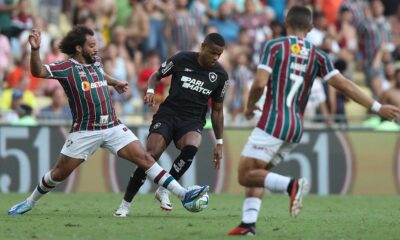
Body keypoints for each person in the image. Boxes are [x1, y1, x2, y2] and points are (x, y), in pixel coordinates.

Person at [227, 6, 400, 236]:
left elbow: (259, 84)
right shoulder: (319, 55)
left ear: (285, 23)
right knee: (259, 174)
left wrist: (249, 108)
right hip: (296, 127)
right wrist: (377, 107)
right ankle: (248, 224)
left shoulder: (274, 46)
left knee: (245, 174)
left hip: (273, 121)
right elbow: (345, 85)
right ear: (310, 28)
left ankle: (292, 186)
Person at [7, 26, 209, 216]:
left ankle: (183, 194)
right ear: (79, 48)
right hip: (85, 131)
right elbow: (38, 72)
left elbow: (100, 74)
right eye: (92, 46)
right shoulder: (67, 67)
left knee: (146, 159)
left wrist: (116, 82)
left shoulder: (95, 63)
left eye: (96, 45)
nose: (96, 49)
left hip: (112, 126)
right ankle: (29, 202)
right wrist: (35, 50)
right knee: (58, 174)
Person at [114, 32, 229, 217]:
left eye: (219, 54)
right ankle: (125, 205)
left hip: (193, 120)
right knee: (149, 157)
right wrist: (151, 90)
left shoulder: (221, 75)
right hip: (168, 115)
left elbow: (217, 111)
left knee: (191, 147)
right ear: (202, 47)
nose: (215, 57)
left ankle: (164, 190)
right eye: (213, 52)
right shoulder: (182, 58)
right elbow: (156, 74)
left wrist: (220, 142)